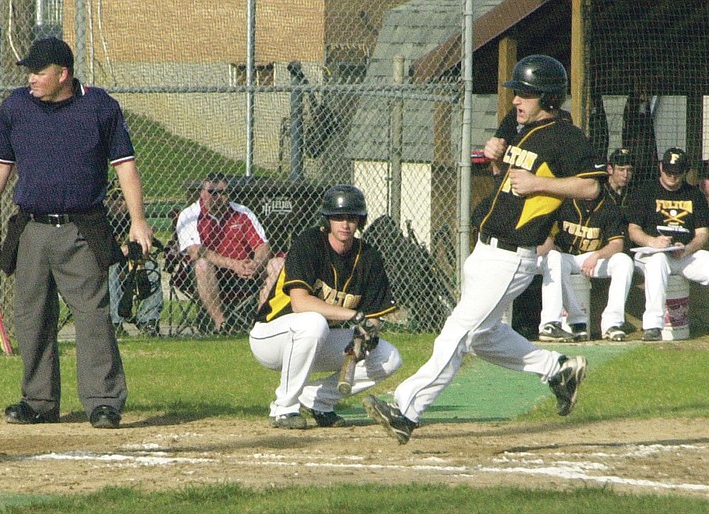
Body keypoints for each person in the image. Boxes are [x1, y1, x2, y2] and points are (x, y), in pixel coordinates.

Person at [363, 55, 606, 444]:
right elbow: (507, 179)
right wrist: (495, 160)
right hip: (486, 249)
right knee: (482, 336)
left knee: (455, 334)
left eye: (525, 94)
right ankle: (557, 369)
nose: (515, 101)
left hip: (513, 254)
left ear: (547, 97)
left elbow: (591, 187)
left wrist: (541, 185)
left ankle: (406, 411)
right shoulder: (518, 126)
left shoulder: (567, 137)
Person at [0, 37, 154, 429]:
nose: (31, 79)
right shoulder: (17, 107)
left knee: (93, 317)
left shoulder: (100, 107)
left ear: (63, 75)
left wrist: (138, 221)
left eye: (39, 72)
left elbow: (126, 167)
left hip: (81, 228)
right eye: (30, 73)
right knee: (32, 317)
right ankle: (39, 401)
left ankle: (103, 401)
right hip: (32, 228)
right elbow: (0, 167)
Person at [249, 185, 401, 429]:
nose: (345, 224)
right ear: (327, 220)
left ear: (360, 221)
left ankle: (318, 400)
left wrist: (367, 332)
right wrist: (355, 316)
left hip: (316, 339)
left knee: (388, 357)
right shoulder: (309, 243)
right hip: (271, 336)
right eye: (338, 217)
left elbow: (373, 316)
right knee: (313, 322)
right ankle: (284, 408)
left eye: (351, 217)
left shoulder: (369, 257)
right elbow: (300, 303)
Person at [627, 147, 709, 342]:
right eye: (668, 171)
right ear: (660, 167)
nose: (672, 177)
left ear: (685, 172)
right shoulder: (645, 191)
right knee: (658, 260)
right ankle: (653, 326)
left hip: (684, 253)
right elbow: (633, 230)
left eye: (677, 173)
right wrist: (653, 241)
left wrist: (688, 249)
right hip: (651, 253)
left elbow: (703, 233)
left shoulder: (694, 194)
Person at [175, 172, 284, 333]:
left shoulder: (242, 212)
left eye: (223, 192)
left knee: (278, 264)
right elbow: (196, 251)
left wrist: (256, 264)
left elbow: (263, 247)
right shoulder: (189, 215)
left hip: (245, 273)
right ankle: (222, 324)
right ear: (202, 193)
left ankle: (261, 321)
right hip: (207, 274)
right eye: (212, 192)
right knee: (202, 264)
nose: (218, 197)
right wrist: (234, 265)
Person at [536, 190, 633, 343]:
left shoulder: (609, 207)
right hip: (565, 257)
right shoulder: (564, 204)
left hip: (592, 258)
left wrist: (597, 255)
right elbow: (548, 236)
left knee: (624, 261)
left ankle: (612, 324)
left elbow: (617, 244)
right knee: (555, 259)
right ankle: (573, 321)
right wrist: (551, 246)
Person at [106, 185, 162, 337]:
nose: (119, 202)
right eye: (114, 198)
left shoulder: (135, 220)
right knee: (113, 267)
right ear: (107, 200)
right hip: (105, 268)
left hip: (131, 267)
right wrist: (122, 251)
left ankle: (149, 322)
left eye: (123, 198)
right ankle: (115, 324)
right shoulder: (102, 219)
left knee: (151, 266)